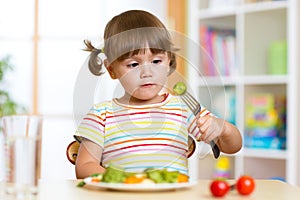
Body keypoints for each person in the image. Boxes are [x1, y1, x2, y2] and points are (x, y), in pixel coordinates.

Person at [74, 10, 242, 179]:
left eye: (156, 61)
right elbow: (85, 166)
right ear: (112, 70)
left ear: (169, 61)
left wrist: (223, 128)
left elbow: (232, 146)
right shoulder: (101, 115)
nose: (147, 72)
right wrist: (124, 181)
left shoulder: (182, 109)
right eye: (133, 64)